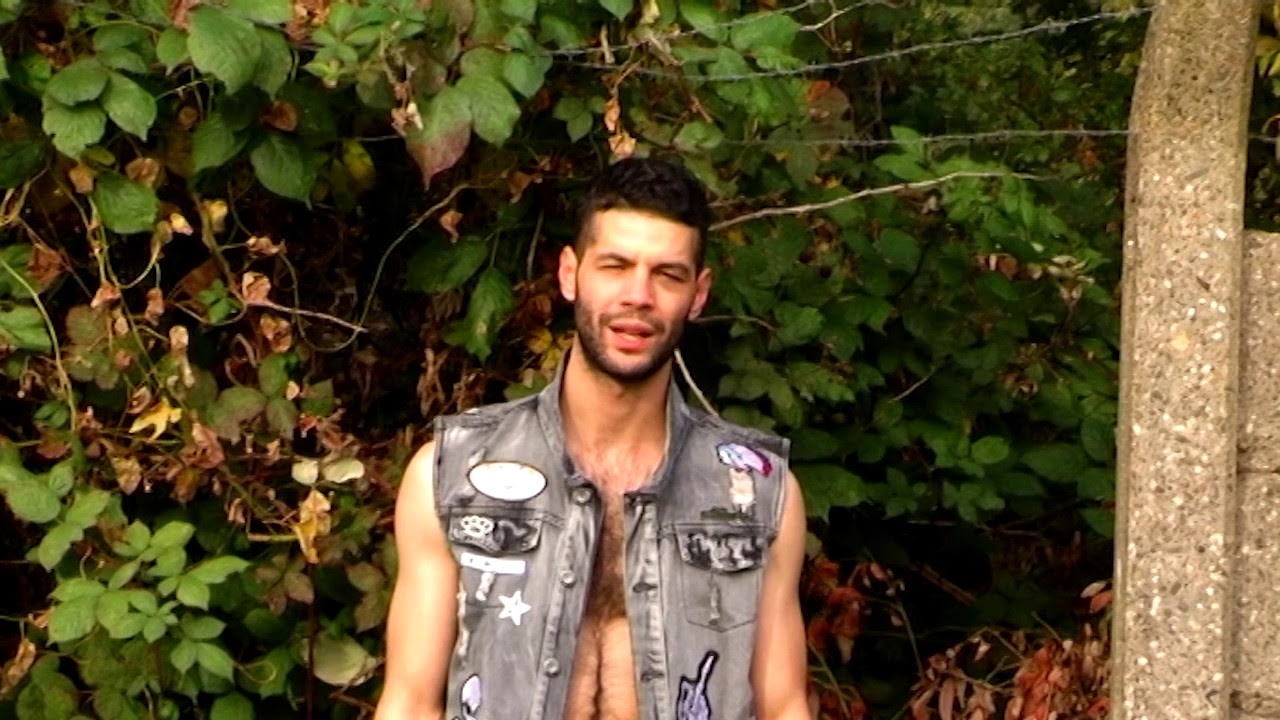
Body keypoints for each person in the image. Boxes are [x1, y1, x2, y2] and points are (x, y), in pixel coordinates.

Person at [376, 158, 811, 720]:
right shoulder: (452, 474)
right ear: (570, 274)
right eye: (615, 266)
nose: (638, 295)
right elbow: (410, 703)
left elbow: (785, 706)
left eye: (667, 274)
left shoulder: (758, 494)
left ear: (698, 294)